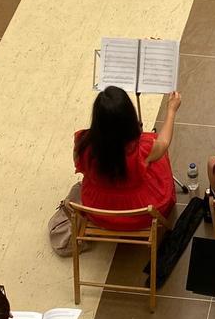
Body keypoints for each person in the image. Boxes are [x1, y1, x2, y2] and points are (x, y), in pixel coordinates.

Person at [73, 86, 179, 229]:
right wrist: (171, 111)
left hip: (99, 213)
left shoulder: (82, 142)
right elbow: (164, 143)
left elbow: (83, 168)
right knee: (157, 154)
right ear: (129, 117)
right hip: (139, 215)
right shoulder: (142, 149)